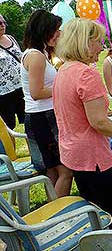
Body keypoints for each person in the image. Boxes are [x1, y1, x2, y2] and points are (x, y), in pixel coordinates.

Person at [53, 18, 112, 229]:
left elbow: (77, 111)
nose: (102, 47)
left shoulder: (64, 70)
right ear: (84, 42)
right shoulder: (86, 73)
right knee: (111, 213)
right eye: (98, 41)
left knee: (93, 208)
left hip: (74, 152)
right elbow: (99, 123)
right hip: (92, 156)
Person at [21, 10, 72, 197]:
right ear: (43, 30)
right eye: (55, 30)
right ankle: (61, 212)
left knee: (53, 170)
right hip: (43, 119)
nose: (59, 34)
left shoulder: (39, 52)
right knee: (66, 170)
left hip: (42, 117)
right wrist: (64, 88)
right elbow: (36, 92)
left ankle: (54, 211)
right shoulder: (36, 56)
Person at [0, 14, 25, 130]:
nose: (2, 25)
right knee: (9, 126)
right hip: (4, 93)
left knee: (28, 121)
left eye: (4, 22)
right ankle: (10, 148)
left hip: (21, 87)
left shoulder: (10, 38)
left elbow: (21, 57)